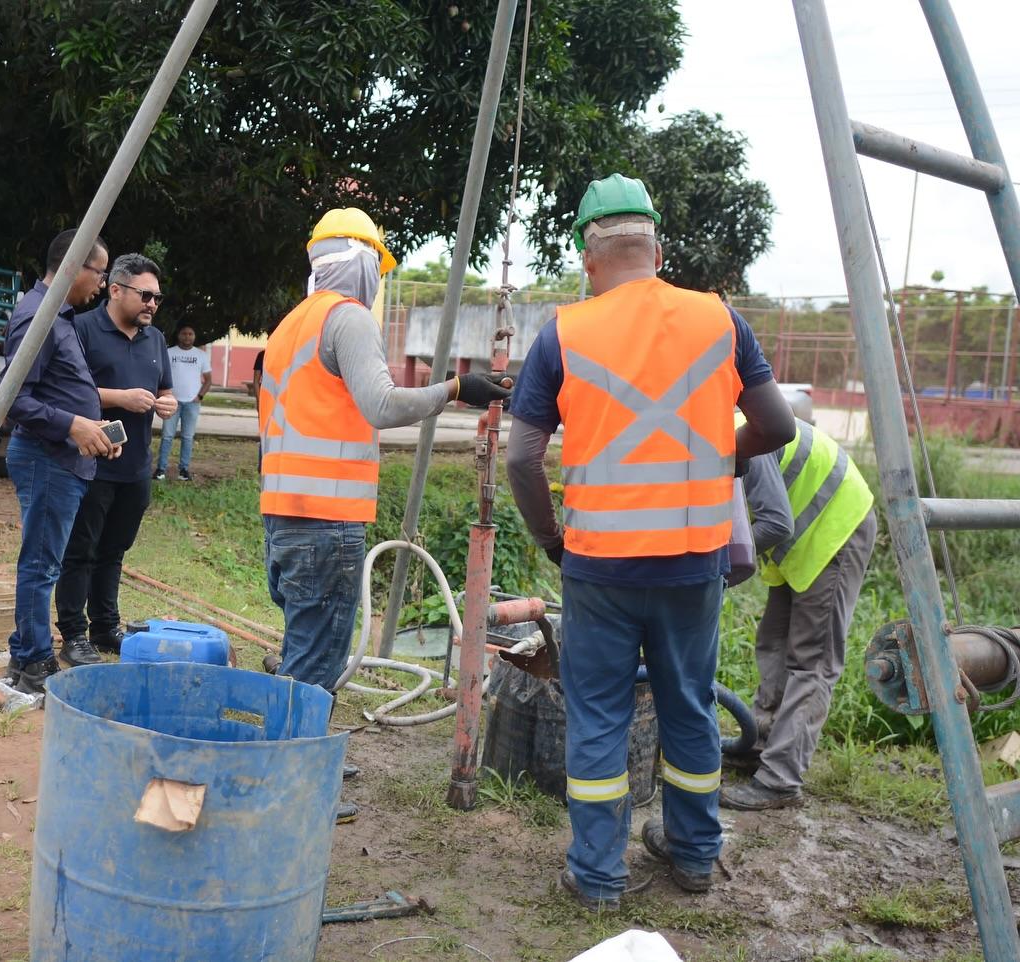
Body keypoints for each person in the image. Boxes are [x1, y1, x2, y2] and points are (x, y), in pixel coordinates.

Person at [505, 173, 795, 909]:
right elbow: (779, 426)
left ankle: (597, 875)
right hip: (694, 562)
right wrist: (719, 456)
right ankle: (694, 855)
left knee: (599, 714)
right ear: (657, 248)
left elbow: (521, 456)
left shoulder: (563, 333)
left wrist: (551, 541)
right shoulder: (720, 321)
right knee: (690, 706)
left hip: (598, 566)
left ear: (587, 257)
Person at [259, 207, 512, 822]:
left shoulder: (292, 324)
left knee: (304, 646)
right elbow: (381, 404)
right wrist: (456, 390)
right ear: (364, 262)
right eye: (379, 264)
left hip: (286, 514)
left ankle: (301, 755)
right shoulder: (346, 319)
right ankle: (294, 787)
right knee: (315, 658)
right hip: (327, 519)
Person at [729, 416, 876, 810]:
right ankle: (760, 744)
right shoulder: (700, 435)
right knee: (773, 641)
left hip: (835, 527)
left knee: (812, 660)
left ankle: (781, 778)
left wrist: (717, 567)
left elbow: (775, 522)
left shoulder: (741, 434)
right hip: (800, 535)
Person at [0, 229, 118, 694]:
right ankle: (32, 661)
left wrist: (96, 431)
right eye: (100, 272)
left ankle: (24, 650)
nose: (102, 284)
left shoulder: (59, 315)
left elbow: (59, 389)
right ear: (73, 265)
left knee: (43, 561)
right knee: (41, 564)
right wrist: (74, 426)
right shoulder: (39, 317)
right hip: (46, 458)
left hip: (63, 458)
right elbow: (12, 398)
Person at [52, 254, 177, 662]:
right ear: (116, 289)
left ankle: (106, 627)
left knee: (114, 550)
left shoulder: (155, 339)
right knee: (80, 550)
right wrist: (120, 397)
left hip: (136, 465)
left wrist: (167, 403)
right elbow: (69, 391)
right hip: (90, 463)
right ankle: (73, 633)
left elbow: (166, 389)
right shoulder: (82, 329)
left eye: (157, 298)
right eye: (145, 295)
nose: (152, 305)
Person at [153, 323, 210, 481]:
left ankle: (184, 470)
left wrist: (199, 397)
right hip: (172, 402)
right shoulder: (169, 352)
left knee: (187, 437)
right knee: (167, 436)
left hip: (192, 403)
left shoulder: (201, 355)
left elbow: (208, 380)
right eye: (184, 333)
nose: (187, 336)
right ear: (179, 335)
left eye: (190, 334)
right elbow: (160, 375)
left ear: (194, 337)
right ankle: (160, 469)